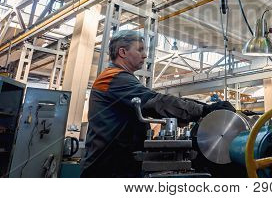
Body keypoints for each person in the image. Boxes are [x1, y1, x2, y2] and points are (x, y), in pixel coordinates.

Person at [80, 30, 234, 177]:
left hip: (118, 166)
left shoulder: (120, 78)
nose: (145, 55)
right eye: (140, 50)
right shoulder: (113, 79)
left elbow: (155, 105)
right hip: (106, 171)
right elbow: (157, 102)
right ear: (123, 52)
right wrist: (204, 109)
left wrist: (194, 112)